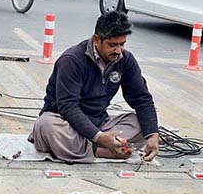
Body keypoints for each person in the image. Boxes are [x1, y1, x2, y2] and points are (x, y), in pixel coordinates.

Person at [29, 11, 160, 164]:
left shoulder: (125, 60)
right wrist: (100, 139)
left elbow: (142, 98)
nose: (118, 50)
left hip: (100, 123)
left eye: (122, 44)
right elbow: (68, 106)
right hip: (66, 123)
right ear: (97, 40)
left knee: (142, 122)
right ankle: (98, 150)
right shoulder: (72, 60)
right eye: (112, 45)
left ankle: (90, 147)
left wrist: (153, 135)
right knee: (46, 125)